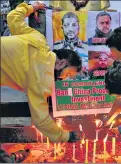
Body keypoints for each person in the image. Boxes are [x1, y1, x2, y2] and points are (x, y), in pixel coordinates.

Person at [1, 2, 83, 143]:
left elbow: (13, 17)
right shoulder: (43, 82)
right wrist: (66, 136)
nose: (64, 79)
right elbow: (41, 120)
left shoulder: (39, 40)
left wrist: (33, 7)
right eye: (68, 74)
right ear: (62, 63)